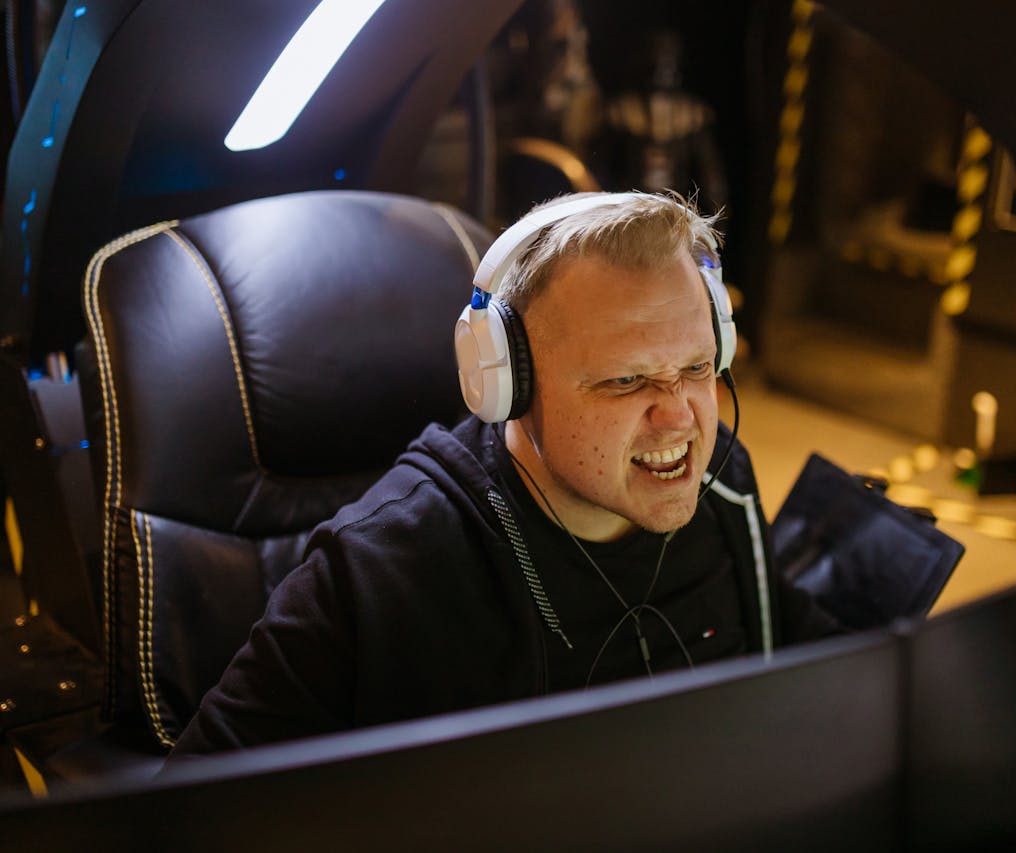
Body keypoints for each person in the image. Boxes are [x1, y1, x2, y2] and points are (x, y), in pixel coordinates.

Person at [169, 191, 840, 756]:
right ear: (506, 385)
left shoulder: (721, 481)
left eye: (697, 367)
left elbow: (793, 648)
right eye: (626, 380)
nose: (681, 421)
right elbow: (190, 812)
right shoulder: (382, 570)